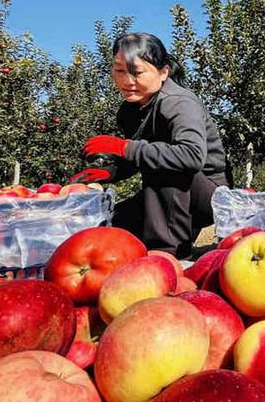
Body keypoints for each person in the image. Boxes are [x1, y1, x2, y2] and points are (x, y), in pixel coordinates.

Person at [70, 32, 229, 259]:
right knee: (112, 225)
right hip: (167, 195)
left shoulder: (178, 102)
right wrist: (111, 171)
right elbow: (143, 155)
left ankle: (167, 254)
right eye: (120, 71)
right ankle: (168, 240)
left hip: (208, 195)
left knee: (164, 163)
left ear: (163, 72)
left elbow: (191, 156)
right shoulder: (131, 111)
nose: (127, 81)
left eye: (137, 72)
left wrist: (125, 148)